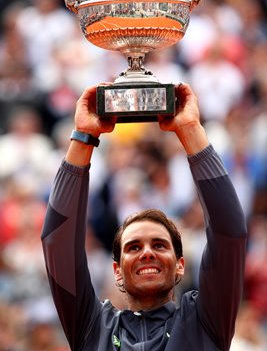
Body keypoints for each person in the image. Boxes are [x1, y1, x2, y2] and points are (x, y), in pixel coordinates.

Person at [41, 83, 247, 351]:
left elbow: (229, 232)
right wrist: (84, 135)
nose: (147, 253)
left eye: (159, 245)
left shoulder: (205, 320)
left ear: (180, 265)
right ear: (116, 271)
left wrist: (191, 130)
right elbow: (59, 243)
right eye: (134, 247)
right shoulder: (93, 328)